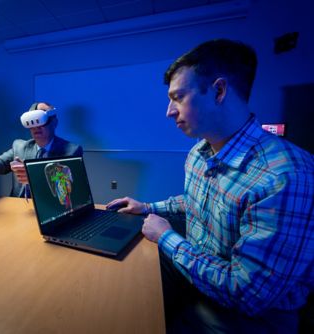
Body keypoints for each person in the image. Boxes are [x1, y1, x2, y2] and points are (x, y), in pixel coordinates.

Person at [106, 39, 314, 333]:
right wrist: (147, 207)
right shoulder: (200, 152)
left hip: (242, 320)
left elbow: (246, 294)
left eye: (178, 97)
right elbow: (196, 201)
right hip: (196, 283)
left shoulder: (286, 176)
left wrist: (166, 237)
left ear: (218, 90)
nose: (169, 111)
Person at [0, 102, 83, 197]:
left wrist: (35, 178)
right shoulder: (20, 147)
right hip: (18, 210)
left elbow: (68, 189)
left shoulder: (71, 151)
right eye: (31, 122)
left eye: (41, 120)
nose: (36, 127)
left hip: (51, 210)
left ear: (54, 122)